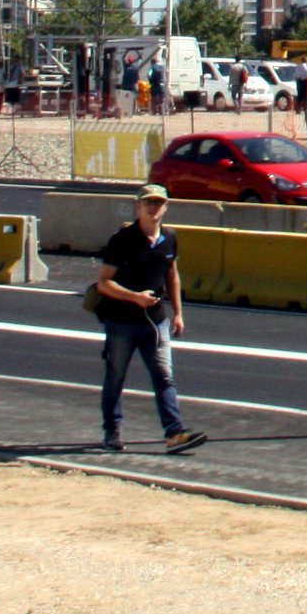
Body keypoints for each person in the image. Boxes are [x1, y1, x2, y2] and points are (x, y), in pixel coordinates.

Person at [92, 184, 207, 455]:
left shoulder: (169, 237)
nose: (153, 207)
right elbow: (104, 283)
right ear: (138, 207)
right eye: (148, 203)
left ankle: (175, 432)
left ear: (165, 207)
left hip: (156, 322)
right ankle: (112, 430)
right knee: (116, 376)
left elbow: (172, 275)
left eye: (158, 203)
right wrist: (135, 297)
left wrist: (178, 313)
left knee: (164, 377)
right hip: (121, 322)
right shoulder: (122, 240)